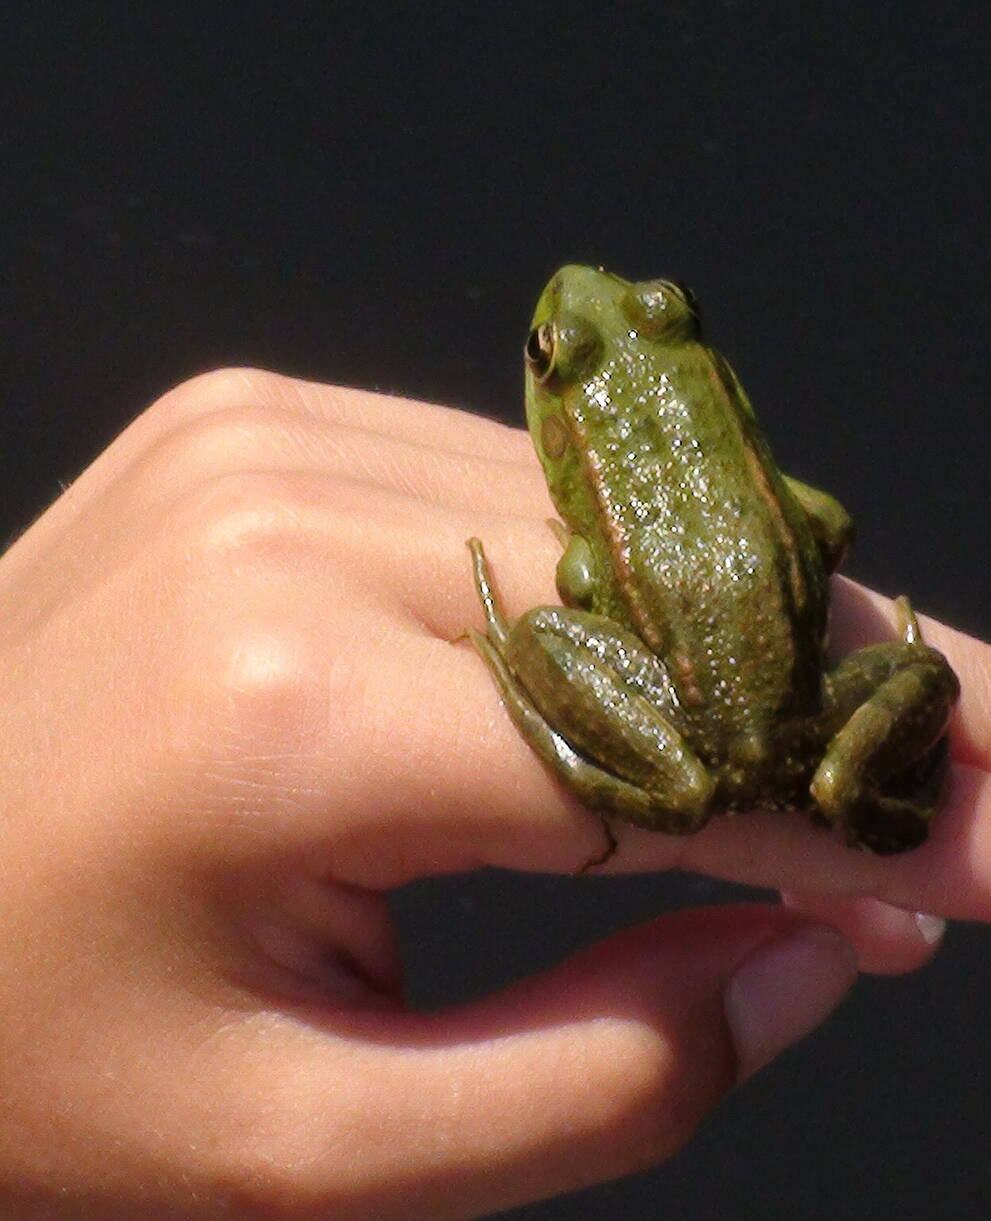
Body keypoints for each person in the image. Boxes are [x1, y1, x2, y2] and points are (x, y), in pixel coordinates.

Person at [0, 368, 986, 1220]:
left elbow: (584, 570)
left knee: (543, 637)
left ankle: (646, 754)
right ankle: (854, 786)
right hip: (812, 718)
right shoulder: (778, 487)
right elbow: (824, 525)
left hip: (685, 718)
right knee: (927, 675)